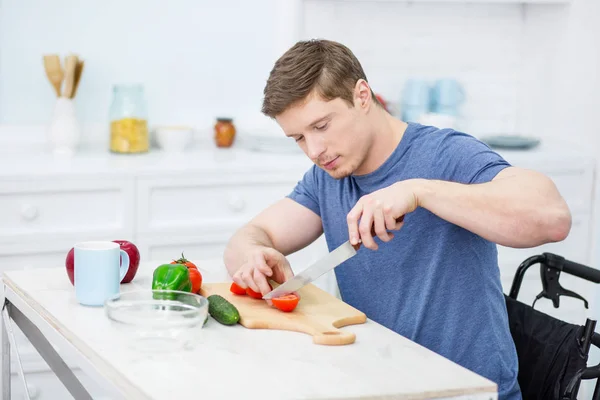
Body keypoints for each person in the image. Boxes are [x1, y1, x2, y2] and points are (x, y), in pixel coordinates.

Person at [223, 39, 571, 400]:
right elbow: (250, 236)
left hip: (467, 393)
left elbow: (552, 218)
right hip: (383, 385)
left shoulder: (445, 154)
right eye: (298, 138)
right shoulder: (328, 177)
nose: (313, 151)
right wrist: (252, 255)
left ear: (361, 95)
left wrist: (419, 192)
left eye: (322, 126)